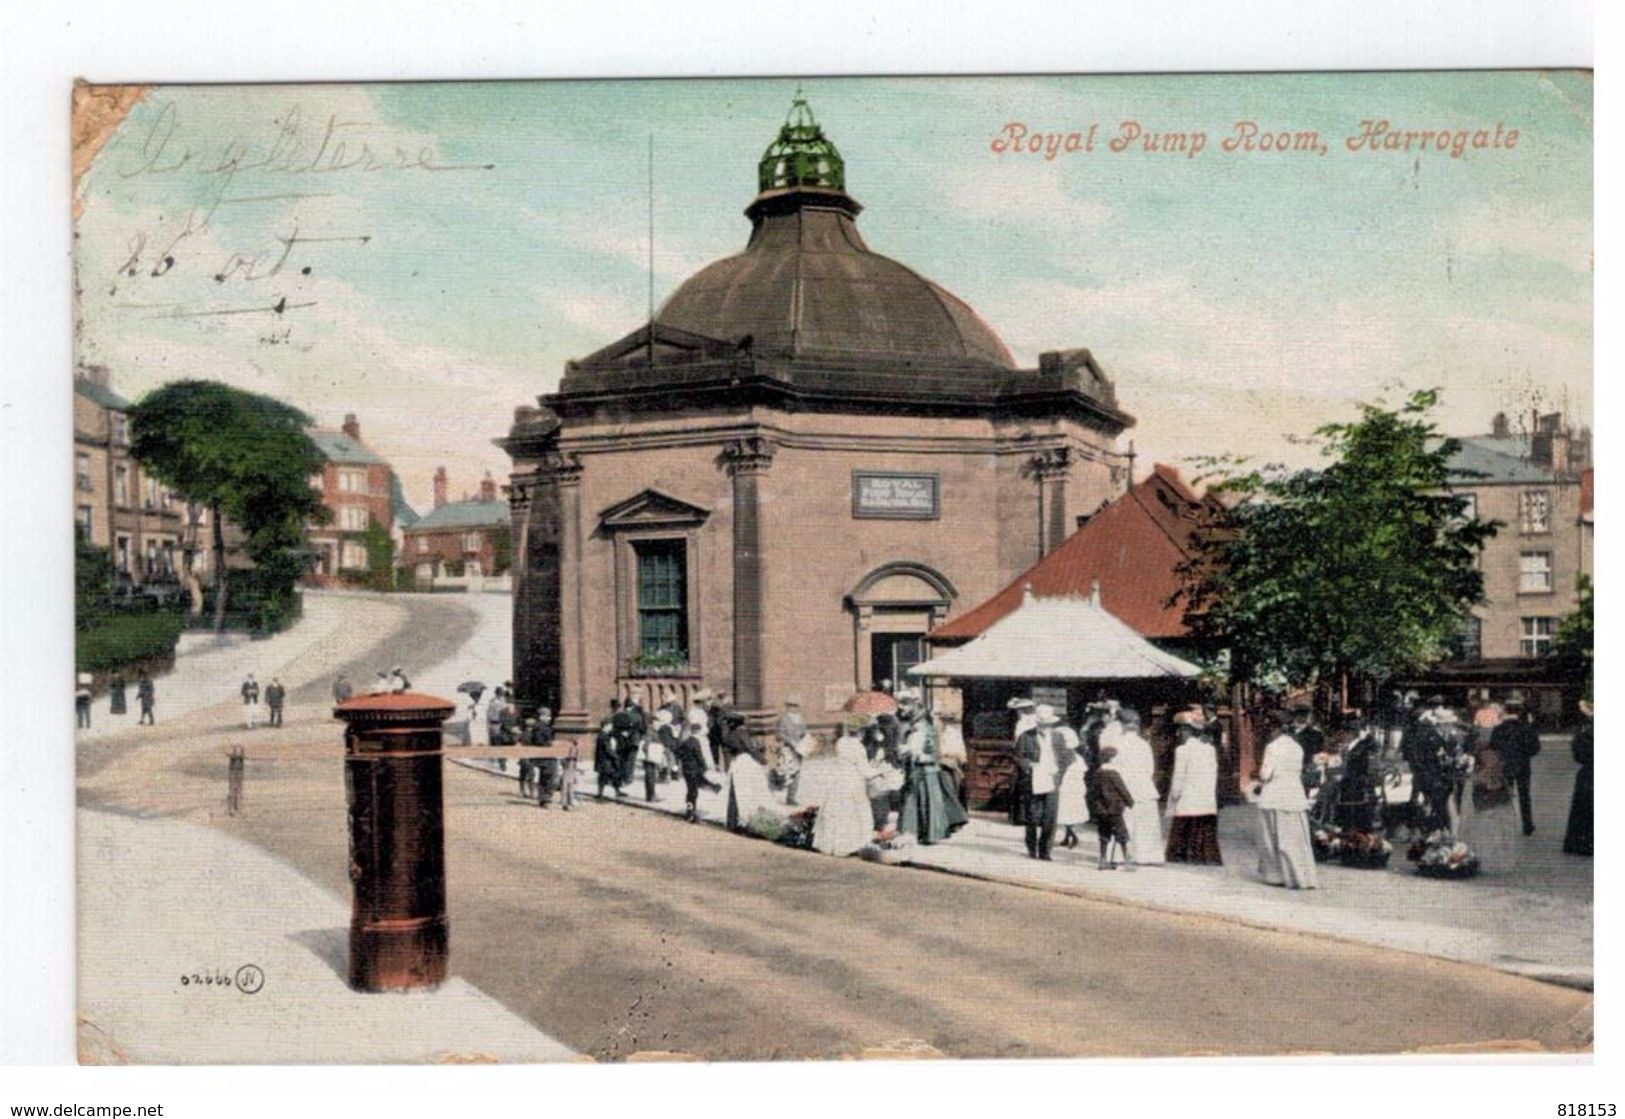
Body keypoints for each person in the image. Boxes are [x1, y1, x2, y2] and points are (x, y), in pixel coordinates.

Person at [896, 689, 968, 845]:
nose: (902, 707)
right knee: (916, 802)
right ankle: (920, 832)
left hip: (924, 771)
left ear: (915, 704)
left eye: (906, 704)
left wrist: (908, 752)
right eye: (901, 704)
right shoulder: (917, 726)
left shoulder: (922, 727)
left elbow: (926, 751)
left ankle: (923, 833)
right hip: (920, 770)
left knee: (919, 802)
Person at [1254, 715, 1318, 889]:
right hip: (1294, 796)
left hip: (1274, 796)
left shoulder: (1272, 747)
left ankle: (1276, 875)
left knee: (1271, 838)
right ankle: (1300, 876)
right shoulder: (1297, 747)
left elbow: (1265, 774)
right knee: (1294, 839)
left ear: (1276, 729)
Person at [797, 729, 875, 856]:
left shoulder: (841, 742)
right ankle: (847, 846)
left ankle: (830, 844)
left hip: (838, 780)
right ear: (861, 733)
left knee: (834, 811)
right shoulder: (858, 746)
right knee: (853, 813)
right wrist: (880, 772)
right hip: (852, 781)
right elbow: (865, 770)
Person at [1012, 704, 1073, 860]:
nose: (1045, 727)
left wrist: (1059, 775)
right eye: (1042, 724)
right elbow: (1018, 757)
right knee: (1032, 815)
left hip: (1052, 779)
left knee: (1050, 816)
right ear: (1037, 723)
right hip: (1033, 779)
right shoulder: (1026, 736)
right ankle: (1032, 848)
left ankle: (1045, 851)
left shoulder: (1058, 737)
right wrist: (1030, 766)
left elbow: (1066, 757)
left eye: (1048, 724)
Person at [1165, 710, 1222, 864]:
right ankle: (1205, 855)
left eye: (1182, 730)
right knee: (1204, 823)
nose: (1179, 734)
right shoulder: (1210, 750)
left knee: (1184, 822)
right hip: (1205, 795)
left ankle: (1183, 854)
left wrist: (1175, 794)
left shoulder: (1182, 750)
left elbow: (1179, 775)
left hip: (1188, 796)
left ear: (1187, 731)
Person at [1460, 730, 1520, 874]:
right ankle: (1494, 861)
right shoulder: (1492, 753)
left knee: (1489, 831)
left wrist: (1475, 778)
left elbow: (1487, 772)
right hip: (1494, 797)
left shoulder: (1485, 754)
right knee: (1495, 831)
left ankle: (1487, 861)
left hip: (1488, 798)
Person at [1114, 709, 1164, 865]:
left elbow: (1114, 769)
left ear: (1121, 725)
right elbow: (1150, 769)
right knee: (1145, 824)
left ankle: (1121, 855)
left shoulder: (1117, 744)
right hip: (1144, 788)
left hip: (1124, 788)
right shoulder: (1144, 745)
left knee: (1125, 822)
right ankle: (1147, 856)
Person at [1490, 701, 1541, 836]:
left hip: (1505, 765)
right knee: (1524, 795)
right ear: (1519, 712)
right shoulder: (1527, 728)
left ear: (1505, 711)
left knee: (1504, 796)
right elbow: (1535, 749)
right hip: (1523, 764)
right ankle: (1527, 825)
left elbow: (1493, 747)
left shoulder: (1498, 729)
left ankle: (1505, 825)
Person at [1086, 745, 1136, 870]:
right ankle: (1127, 861)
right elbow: (1122, 789)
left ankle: (1103, 860)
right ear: (1112, 759)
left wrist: (1094, 807)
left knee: (1104, 834)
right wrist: (1130, 802)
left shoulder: (1097, 773)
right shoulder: (1114, 773)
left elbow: (1091, 793)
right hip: (1115, 809)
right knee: (1122, 834)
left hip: (1101, 810)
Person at [724, 714, 775, 831]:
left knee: (735, 793)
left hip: (735, 763)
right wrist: (763, 761)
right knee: (747, 792)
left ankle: (732, 822)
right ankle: (746, 822)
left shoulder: (729, 735)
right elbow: (750, 748)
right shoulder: (741, 734)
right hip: (745, 762)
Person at [1333, 719, 1383, 832]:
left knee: (1360, 808)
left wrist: (1368, 737)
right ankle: (1347, 828)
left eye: (1357, 729)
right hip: (1348, 779)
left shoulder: (1367, 743)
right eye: (1352, 730)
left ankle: (1360, 830)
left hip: (1360, 780)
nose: (1352, 732)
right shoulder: (1350, 744)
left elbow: (1375, 753)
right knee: (1346, 806)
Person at [675, 712, 721, 822]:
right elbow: (699, 757)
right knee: (693, 793)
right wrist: (705, 767)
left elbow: (678, 753)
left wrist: (684, 761)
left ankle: (690, 812)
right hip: (695, 770)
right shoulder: (696, 742)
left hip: (687, 770)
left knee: (691, 791)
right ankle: (690, 813)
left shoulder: (686, 742)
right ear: (698, 731)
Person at [1563, 702, 1593, 856]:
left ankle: (1579, 842)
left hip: (1588, 772)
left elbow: (1578, 752)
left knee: (1582, 809)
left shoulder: (1585, 728)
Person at [1006, 696, 1039, 826]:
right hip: (1029, 755)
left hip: (1023, 755)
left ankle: (1022, 816)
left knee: (1022, 785)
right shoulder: (1034, 721)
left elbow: (1019, 741)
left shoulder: (1023, 723)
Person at [776, 696, 808, 805]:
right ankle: (782, 792)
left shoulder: (800, 718)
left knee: (797, 772)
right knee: (788, 772)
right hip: (788, 749)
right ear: (787, 706)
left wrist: (805, 741)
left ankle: (791, 796)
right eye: (791, 705)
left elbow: (805, 732)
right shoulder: (783, 719)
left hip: (799, 749)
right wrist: (790, 742)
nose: (794, 708)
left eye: (796, 705)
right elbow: (779, 735)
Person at [596, 702, 623, 799]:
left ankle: (614, 791)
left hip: (604, 762)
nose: (611, 727)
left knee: (609, 776)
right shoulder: (603, 736)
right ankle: (601, 793)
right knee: (606, 777)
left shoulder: (603, 735)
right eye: (610, 726)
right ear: (606, 726)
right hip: (605, 762)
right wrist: (616, 757)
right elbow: (608, 749)